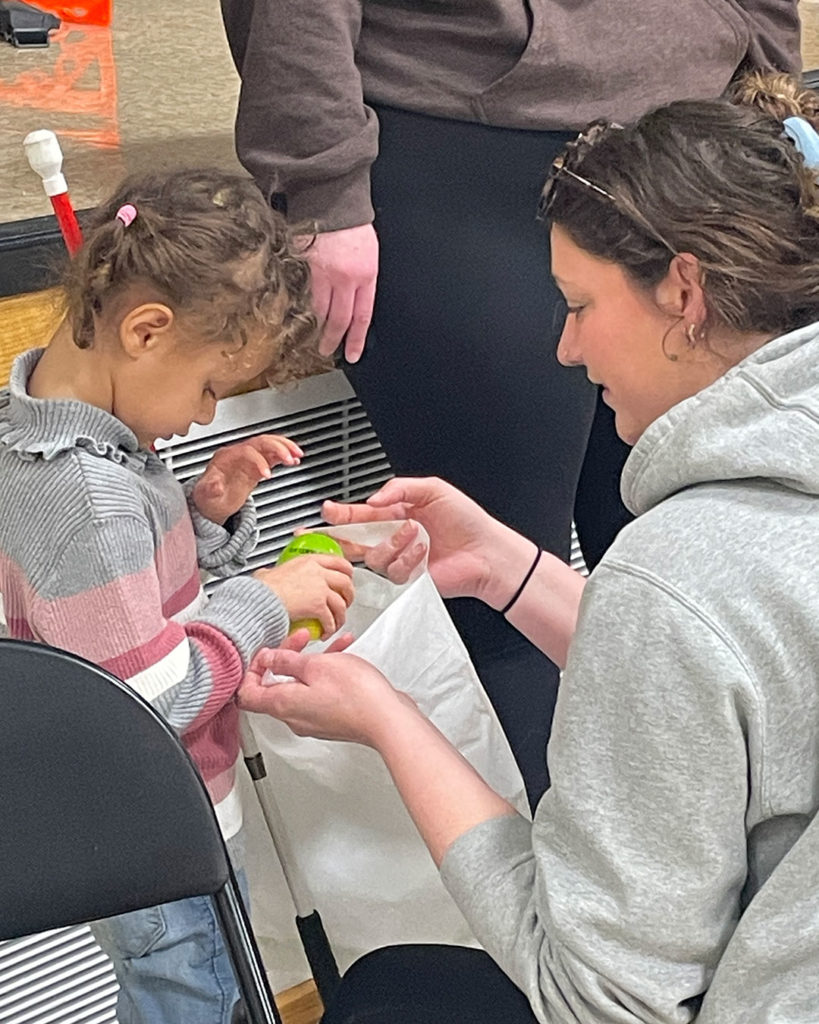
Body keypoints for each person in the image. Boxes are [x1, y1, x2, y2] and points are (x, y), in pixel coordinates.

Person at [237, 89, 819, 1023]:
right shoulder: (723, 565)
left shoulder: (676, 576)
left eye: (580, 304)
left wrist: (389, 719)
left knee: (386, 994)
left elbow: (597, 1000)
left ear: (684, 289)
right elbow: (747, 679)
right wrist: (511, 571)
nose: (564, 346)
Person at [220, 0, 801, 805]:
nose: (570, 345)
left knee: (690, 574)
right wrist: (319, 181)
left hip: (690, 135)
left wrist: (768, 99)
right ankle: (580, 894)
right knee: (504, 610)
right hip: (459, 135)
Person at [0, 168, 356, 1024]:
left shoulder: (86, 447)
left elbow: (122, 609)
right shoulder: (82, 492)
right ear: (147, 331)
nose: (203, 418)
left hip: (151, 819)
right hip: (148, 831)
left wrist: (201, 513)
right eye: (209, 389)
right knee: (188, 996)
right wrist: (267, 598)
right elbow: (149, 697)